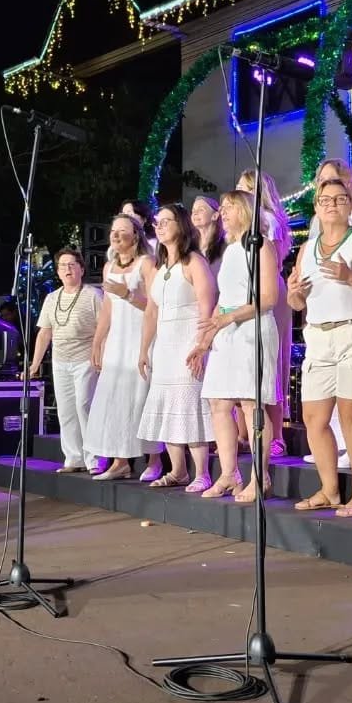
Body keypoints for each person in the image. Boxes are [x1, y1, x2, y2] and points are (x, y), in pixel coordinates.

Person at [290, 176, 352, 517]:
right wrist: (296, 295)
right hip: (319, 336)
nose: (332, 204)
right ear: (317, 208)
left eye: (340, 198)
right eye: (325, 199)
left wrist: (351, 277)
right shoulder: (307, 247)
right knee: (314, 418)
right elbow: (296, 301)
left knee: (350, 415)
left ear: (350, 205)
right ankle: (330, 489)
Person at [195, 190, 281, 502]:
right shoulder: (231, 249)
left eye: (230, 207)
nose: (224, 213)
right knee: (218, 402)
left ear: (245, 209)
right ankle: (229, 473)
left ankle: (260, 476)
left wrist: (227, 318)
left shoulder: (260, 245)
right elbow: (223, 300)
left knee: (250, 404)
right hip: (228, 332)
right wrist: (203, 342)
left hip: (251, 330)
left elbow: (268, 298)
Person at [137, 204, 217, 490]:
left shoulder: (194, 261)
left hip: (189, 340)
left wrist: (202, 346)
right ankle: (178, 470)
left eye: (166, 222)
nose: (159, 227)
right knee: (167, 406)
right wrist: (144, 349)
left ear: (181, 226)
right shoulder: (160, 268)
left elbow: (207, 307)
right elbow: (151, 312)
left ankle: (202, 473)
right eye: (157, 223)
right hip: (165, 345)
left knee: (189, 405)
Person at [85, 214, 163, 481]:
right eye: (113, 231)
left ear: (136, 235)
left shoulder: (146, 263)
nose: (116, 236)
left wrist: (127, 294)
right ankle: (120, 461)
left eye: (123, 231)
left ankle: (154, 458)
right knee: (117, 398)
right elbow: (107, 308)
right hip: (118, 339)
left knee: (142, 396)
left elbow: (155, 305)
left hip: (141, 336)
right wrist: (97, 341)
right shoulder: (108, 267)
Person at [29, 248, 104, 473]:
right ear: (57, 272)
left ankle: (95, 459)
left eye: (72, 264)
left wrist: (100, 354)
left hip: (86, 359)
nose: (67, 269)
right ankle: (74, 458)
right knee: (66, 410)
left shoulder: (93, 295)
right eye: (63, 265)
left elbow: (104, 327)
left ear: (81, 268)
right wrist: (34, 364)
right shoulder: (52, 298)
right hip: (61, 362)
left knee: (84, 405)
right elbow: (44, 333)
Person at [236, 168, 293, 458]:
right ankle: (248, 431)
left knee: (273, 359)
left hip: (269, 289)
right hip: (246, 291)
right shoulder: (240, 226)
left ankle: (277, 434)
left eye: (246, 189)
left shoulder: (266, 221)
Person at [190, 195, 225, 265]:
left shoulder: (225, 246)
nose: (195, 213)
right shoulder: (189, 245)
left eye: (201, 210)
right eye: (193, 210)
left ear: (215, 216)